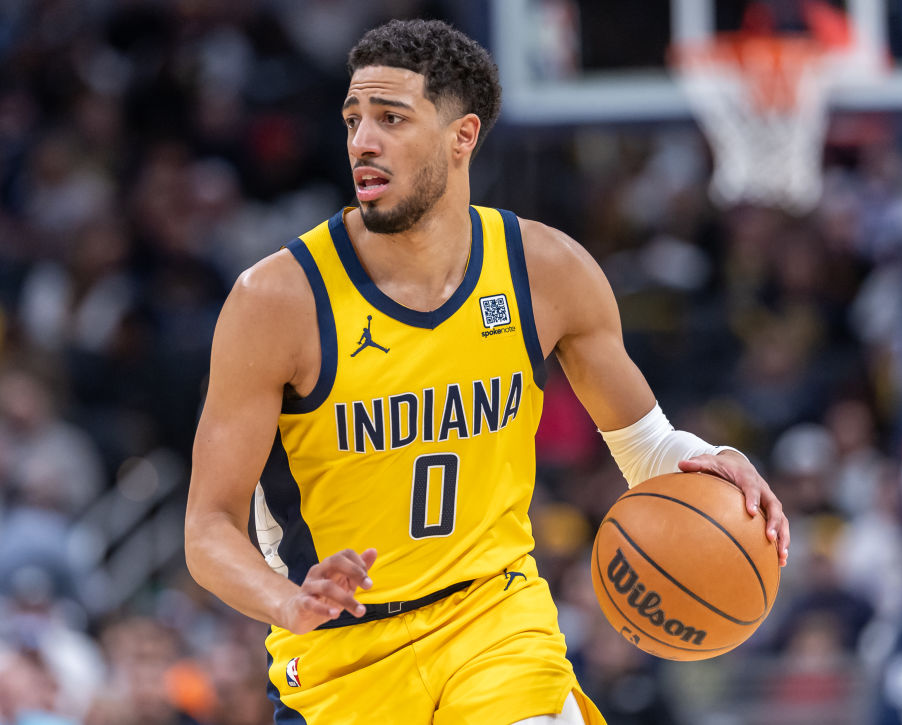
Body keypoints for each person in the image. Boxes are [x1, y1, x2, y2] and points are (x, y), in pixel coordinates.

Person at [184, 18, 790, 725]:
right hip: (341, 654)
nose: (362, 142)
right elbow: (207, 528)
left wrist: (715, 460)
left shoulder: (546, 271)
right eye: (353, 119)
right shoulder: (277, 301)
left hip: (495, 619)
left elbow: (648, 449)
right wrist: (289, 600)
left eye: (390, 118)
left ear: (462, 137)